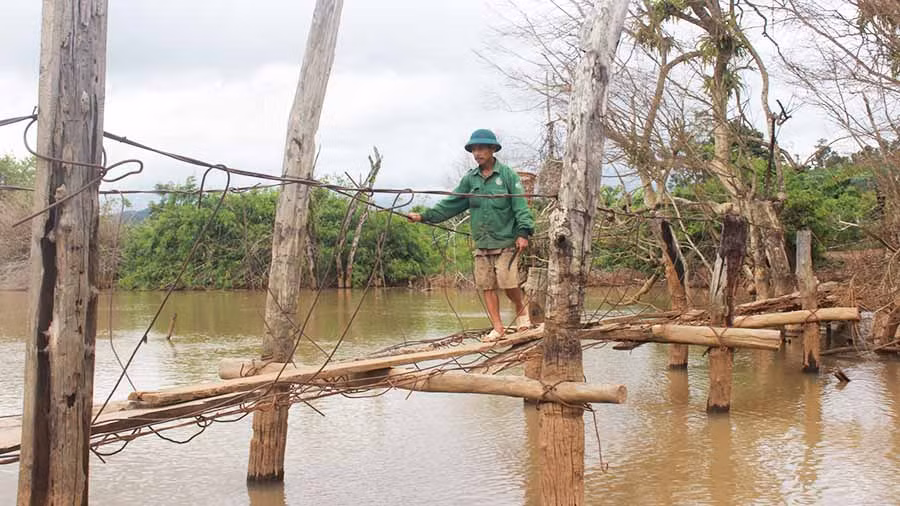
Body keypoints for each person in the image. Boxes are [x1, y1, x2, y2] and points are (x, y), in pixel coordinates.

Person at [408, 129, 535, 340]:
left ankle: (522, 309)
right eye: (474, 149)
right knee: (486, 285)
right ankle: (498, 328)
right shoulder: (470, 180)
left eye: (482, 148)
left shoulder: (507, 176)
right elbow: (451, 204)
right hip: (482, 242)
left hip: (506, 241)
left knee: (508, 282)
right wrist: (423, 216)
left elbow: (520, 205)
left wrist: (523, 232)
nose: (477, 153)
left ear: (493, 149)